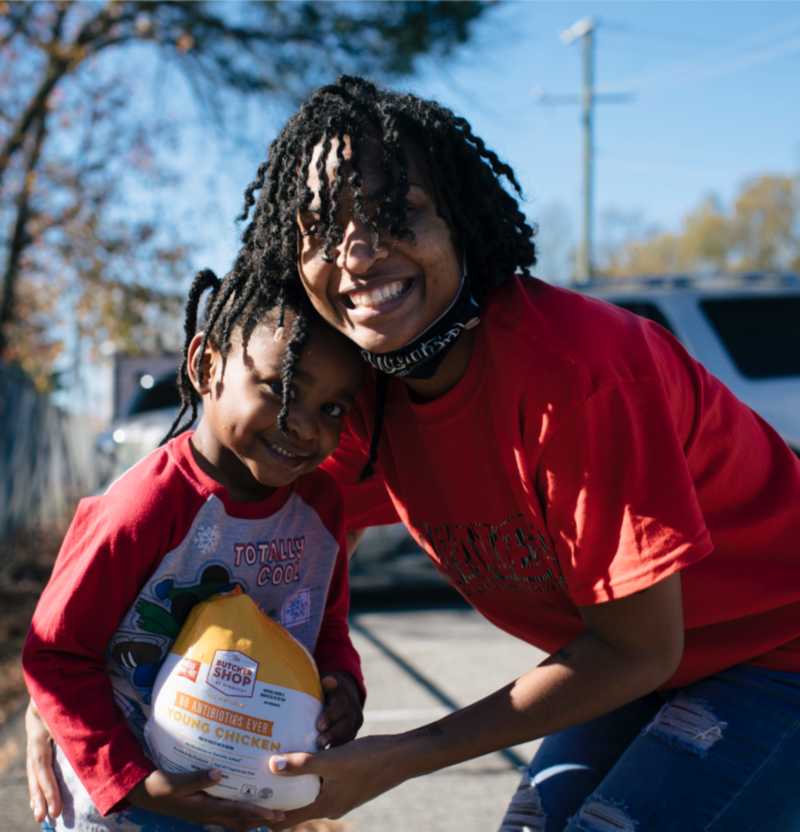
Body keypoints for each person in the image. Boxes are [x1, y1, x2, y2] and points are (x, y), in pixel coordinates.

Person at [28, 75, 800, 831]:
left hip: (776, 653)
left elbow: (638, 650)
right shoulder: (352, 396)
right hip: (646, 660)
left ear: (461, 221)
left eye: (397, 213)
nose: (359, 252)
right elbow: (257, 543)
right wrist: (73, 693)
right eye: (322, 226)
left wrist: (400, 755)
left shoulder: (579, 378)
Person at [22, 267, 367, 832]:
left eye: (332, 409)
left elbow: (325, 628)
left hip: (240, 800)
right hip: (121, 813)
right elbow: (55, 655)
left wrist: (343, 685)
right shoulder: (145, 506)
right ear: (207, 366)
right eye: (282, 390)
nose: (305, 427)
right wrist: (132, 780)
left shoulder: (321, 508)